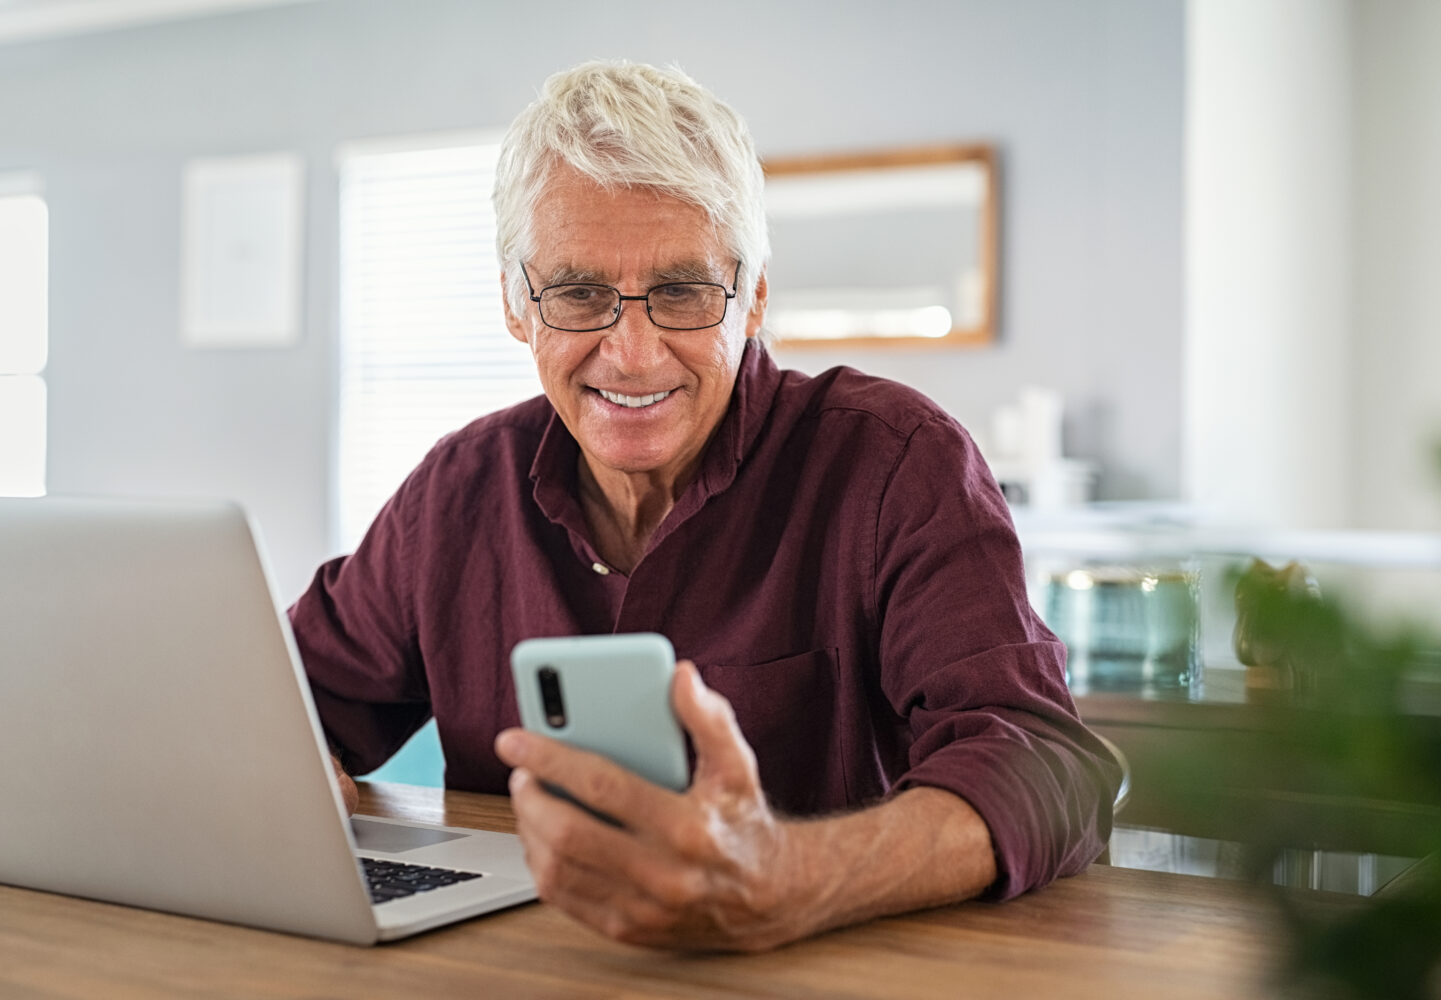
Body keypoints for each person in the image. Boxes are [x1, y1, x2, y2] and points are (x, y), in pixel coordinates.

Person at [292, 59, 1120, 952]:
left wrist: (790, 876)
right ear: (514, 305)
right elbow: (285, 702)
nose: (635, 353)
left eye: (684, 292)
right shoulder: (456, 493)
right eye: (578, 294)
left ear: (754, 294)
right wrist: (273, 772)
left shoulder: (894, 463)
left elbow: (1049, 766)